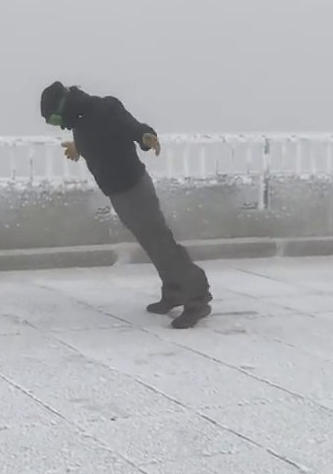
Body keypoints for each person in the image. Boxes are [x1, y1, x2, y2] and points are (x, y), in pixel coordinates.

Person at [40, 81, 212, 329]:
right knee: (152, 244)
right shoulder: (80, 120)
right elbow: (100, 138)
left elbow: (131, 127)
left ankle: (197, 298)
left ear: (63, 107)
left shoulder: (105, 108)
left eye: (55, 119)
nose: (59, 125)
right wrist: (79, 148)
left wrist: (145, 136)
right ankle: (174, 291)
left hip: (134, 188)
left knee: (161, 242)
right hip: (118, 192)